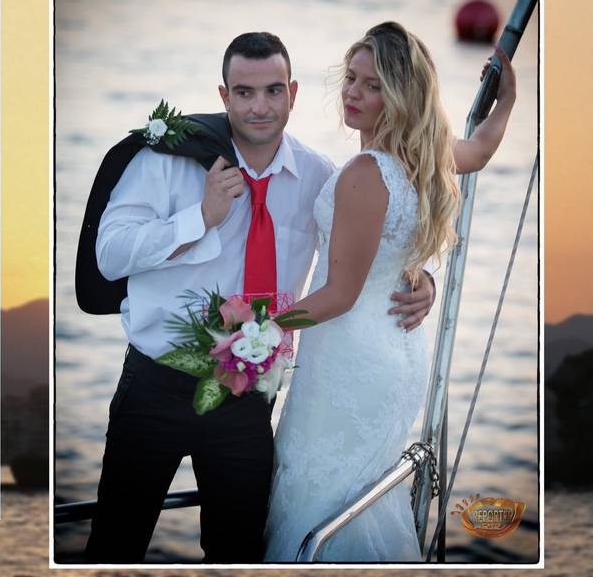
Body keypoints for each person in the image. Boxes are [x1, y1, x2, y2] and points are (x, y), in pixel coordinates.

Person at [83, 32, 437, 563]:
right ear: (223, 96)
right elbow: (109, 254)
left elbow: (378, 226)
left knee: (238, 553)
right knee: (114, 545)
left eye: (273, 91)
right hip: (155, 388)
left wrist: (418, 274)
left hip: (248, 401)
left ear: (292, 93)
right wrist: (198, 218)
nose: (260, 107)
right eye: (244, 93)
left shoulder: (319, 175)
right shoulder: (166, 161)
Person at [262, 22, 516, 562]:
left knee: (319, 489)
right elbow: (482, 149)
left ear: (400, 97)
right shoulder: (427, 155)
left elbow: (338, 295)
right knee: (362, 496)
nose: (353, 93)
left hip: (348, 361)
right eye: (351, 78)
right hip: (396, 354)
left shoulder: (364, 172)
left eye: (372, 85)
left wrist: (257, 323)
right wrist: (508, 101)